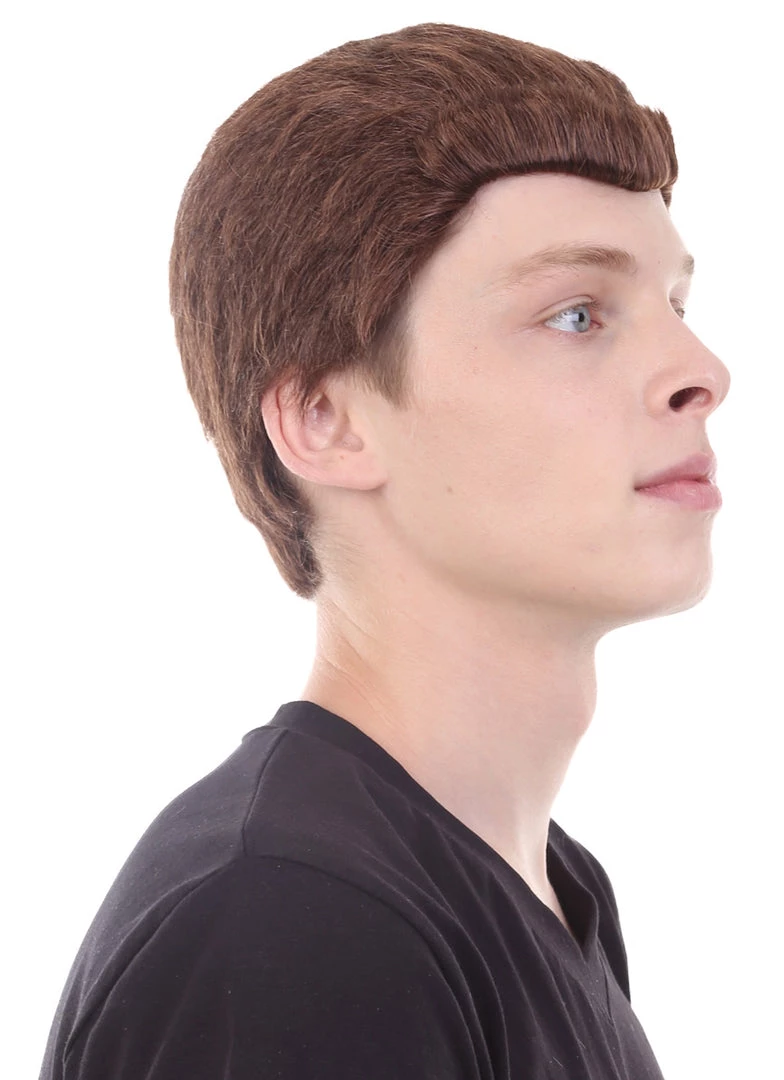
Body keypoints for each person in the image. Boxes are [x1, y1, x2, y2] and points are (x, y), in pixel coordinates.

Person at [39, 21, 730, 1079]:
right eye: (577, 314)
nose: (701, 369)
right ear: (325, 419)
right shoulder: (290, 925)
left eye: (675, 304)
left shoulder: (545, 887)